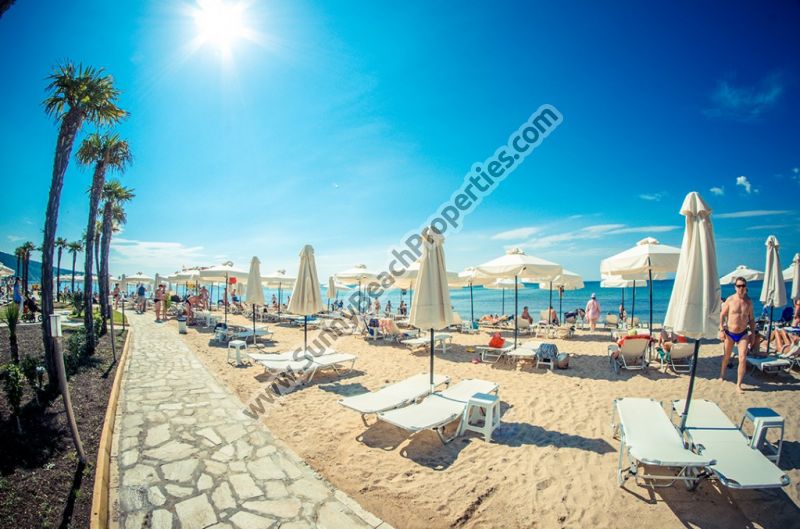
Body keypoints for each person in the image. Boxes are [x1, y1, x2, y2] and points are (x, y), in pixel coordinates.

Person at [719, 277, 755, 393]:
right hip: (730, 333)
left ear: (746, 287)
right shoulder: (730, 300)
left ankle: (738, 384)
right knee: (726, 356)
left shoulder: (749, 302)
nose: (741, 288)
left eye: (743, 286)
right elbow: (722, 315)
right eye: (739, 286)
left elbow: (751, 319)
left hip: (743, 334)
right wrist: (721, 329)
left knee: (743, 358)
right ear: (735, 287)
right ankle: (722, 375)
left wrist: (753, 334)